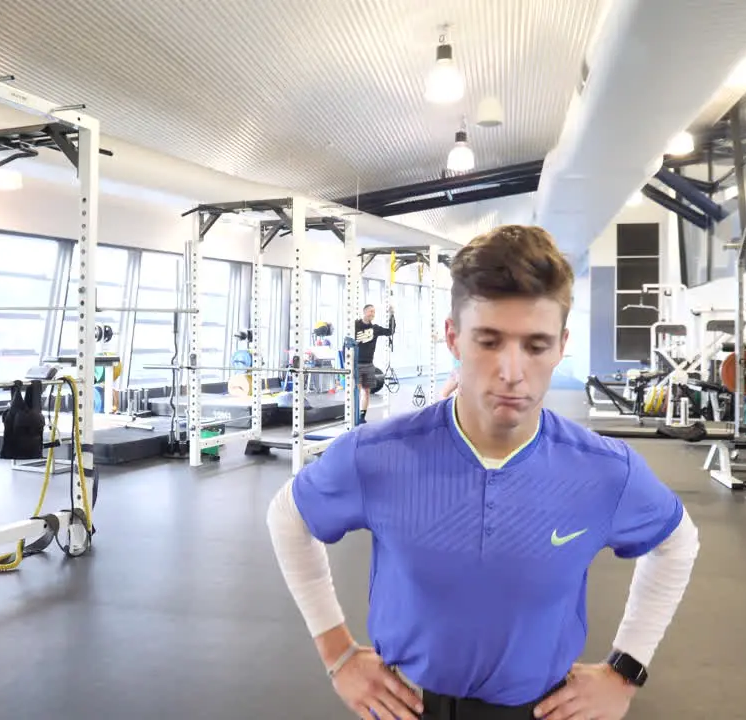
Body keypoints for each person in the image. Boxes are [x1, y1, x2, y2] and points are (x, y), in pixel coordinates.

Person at [267, 225, 700, 720]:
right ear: (454, 338)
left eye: (535, 346)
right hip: (405, 706)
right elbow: (288, 516)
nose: (512, 371)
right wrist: (338, 653)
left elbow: (678, 542)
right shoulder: (378, 454)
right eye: (489, 341)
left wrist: (627, 668)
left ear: (561, 346)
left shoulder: (604, 470)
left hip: (539, 710)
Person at [353, 304, 393, 423]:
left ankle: (361, 417)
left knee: (366, 392)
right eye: (370, 311)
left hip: (369, 364)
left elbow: (390, 331)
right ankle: (352, 416)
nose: (372, 314)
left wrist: (392, 315)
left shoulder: (375, 328)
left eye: (374, 312)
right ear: (364, 312)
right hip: (355, 364)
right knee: (356, 391)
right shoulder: (355, 325)